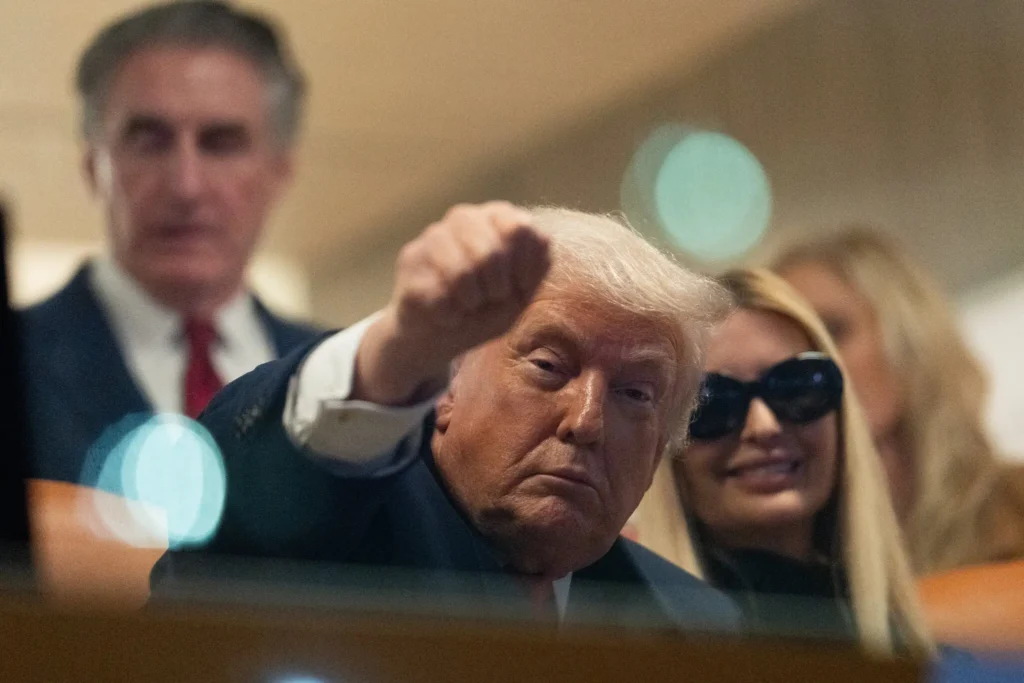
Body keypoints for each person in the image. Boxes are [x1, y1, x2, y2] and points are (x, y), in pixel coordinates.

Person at [156, 203, 739, 629]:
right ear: (448, 381)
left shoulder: (695, 626)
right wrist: (396, 354)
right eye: (548, 365)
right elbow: (260, 489)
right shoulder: (337, 535)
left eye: (635, 395)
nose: (586, 421)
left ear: (664, 441)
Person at [20, 1, 319, 484]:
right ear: (93, 165)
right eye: (150, 140)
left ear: (279, 169)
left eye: (221, 143)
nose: (187, 186)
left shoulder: (344, 379)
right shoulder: (15, 361)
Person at [631, 268, 933, 653]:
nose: (764, 426)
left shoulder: (916, 652)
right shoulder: (611, 639)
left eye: (797, 386)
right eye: (713, 402)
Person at [773, 228, 1024, 575]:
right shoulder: (784, 553)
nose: (809, 366)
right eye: (788, 348)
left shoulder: (1015, 506)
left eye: (832, 331)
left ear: (908, 339)